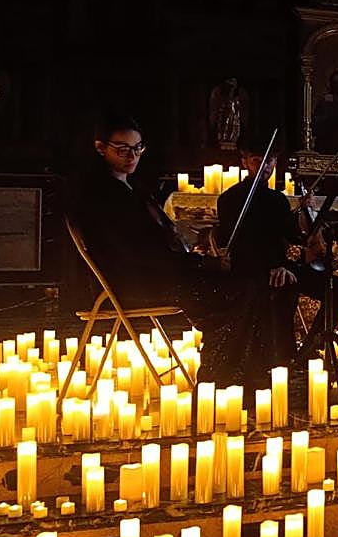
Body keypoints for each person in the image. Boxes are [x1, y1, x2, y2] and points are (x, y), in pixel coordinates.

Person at [71, 113, 244, 372]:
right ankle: (220, 374)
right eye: (123, 149)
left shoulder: (131, 189)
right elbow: (138, 254)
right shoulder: (102, 196)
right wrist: (199, 264)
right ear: (100, 148)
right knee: (227, 293)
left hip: (152, 275)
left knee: (239, 286)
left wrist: (195, 259)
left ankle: (233, 369)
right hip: (133, 283)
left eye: (138, 148)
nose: (132, 156)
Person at [213, 132, 328, 384]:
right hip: (251, 270)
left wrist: (306, 212)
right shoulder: (230, 199)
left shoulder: (277, 199)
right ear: (244, 161)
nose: (265, 166)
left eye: (270, 161)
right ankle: (281, 358)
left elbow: (293, 237)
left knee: (337, 287)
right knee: (281, 287)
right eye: (257, 160)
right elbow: (241, 247)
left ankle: (306, 351)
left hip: (282, 268)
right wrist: (274, 267)